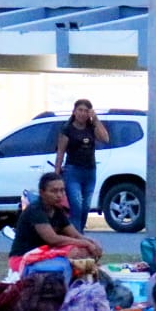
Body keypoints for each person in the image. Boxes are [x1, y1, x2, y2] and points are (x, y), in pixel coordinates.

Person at [8, 172, 103, 272]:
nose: (59, 195)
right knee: (76, 252)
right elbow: (53, 239)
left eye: (62, 190)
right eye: (54, 191)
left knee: (86, 250)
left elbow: (75, 235)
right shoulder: (35, 210)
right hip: (23, 258)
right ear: (42, 193)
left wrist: (92, 242)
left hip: (45, 253)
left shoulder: (58, 210)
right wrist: (85, 243)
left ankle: (84, 273)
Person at [55, 99, 109, 233]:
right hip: (73, 171)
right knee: (76, 205)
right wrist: (56, 173)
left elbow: (105, 139)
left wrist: (95, 119)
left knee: (85, 206)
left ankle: (79, 233)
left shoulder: (91, 128)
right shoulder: (67, 129)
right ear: (74, 112)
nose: (82, 113)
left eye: (86, 111)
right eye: (80, 110)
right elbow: (60, 152)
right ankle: (77, 236)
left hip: (90, 171)